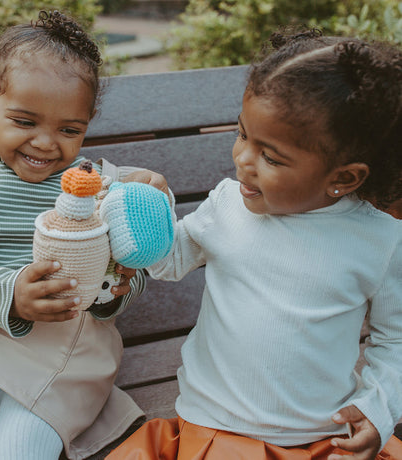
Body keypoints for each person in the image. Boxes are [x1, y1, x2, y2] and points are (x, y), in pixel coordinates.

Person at [106, 30, 402, 460]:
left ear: (343, 178)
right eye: (243, 134)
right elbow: (169, 258)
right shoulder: (228, 204)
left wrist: (378, 406)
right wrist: (143, 209)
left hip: (324, 438)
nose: (242, 159)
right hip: (215, 432)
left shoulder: (380, 238)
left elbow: (395, 340)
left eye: (271, 157)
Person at [0, 10, 168, 460]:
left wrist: (120, 287)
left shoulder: (105, 189)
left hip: (55, 368)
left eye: (69, 130)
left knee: (21, 446)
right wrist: (9, 292)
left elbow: (129, 268)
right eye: (25, 122)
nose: (46, 143)